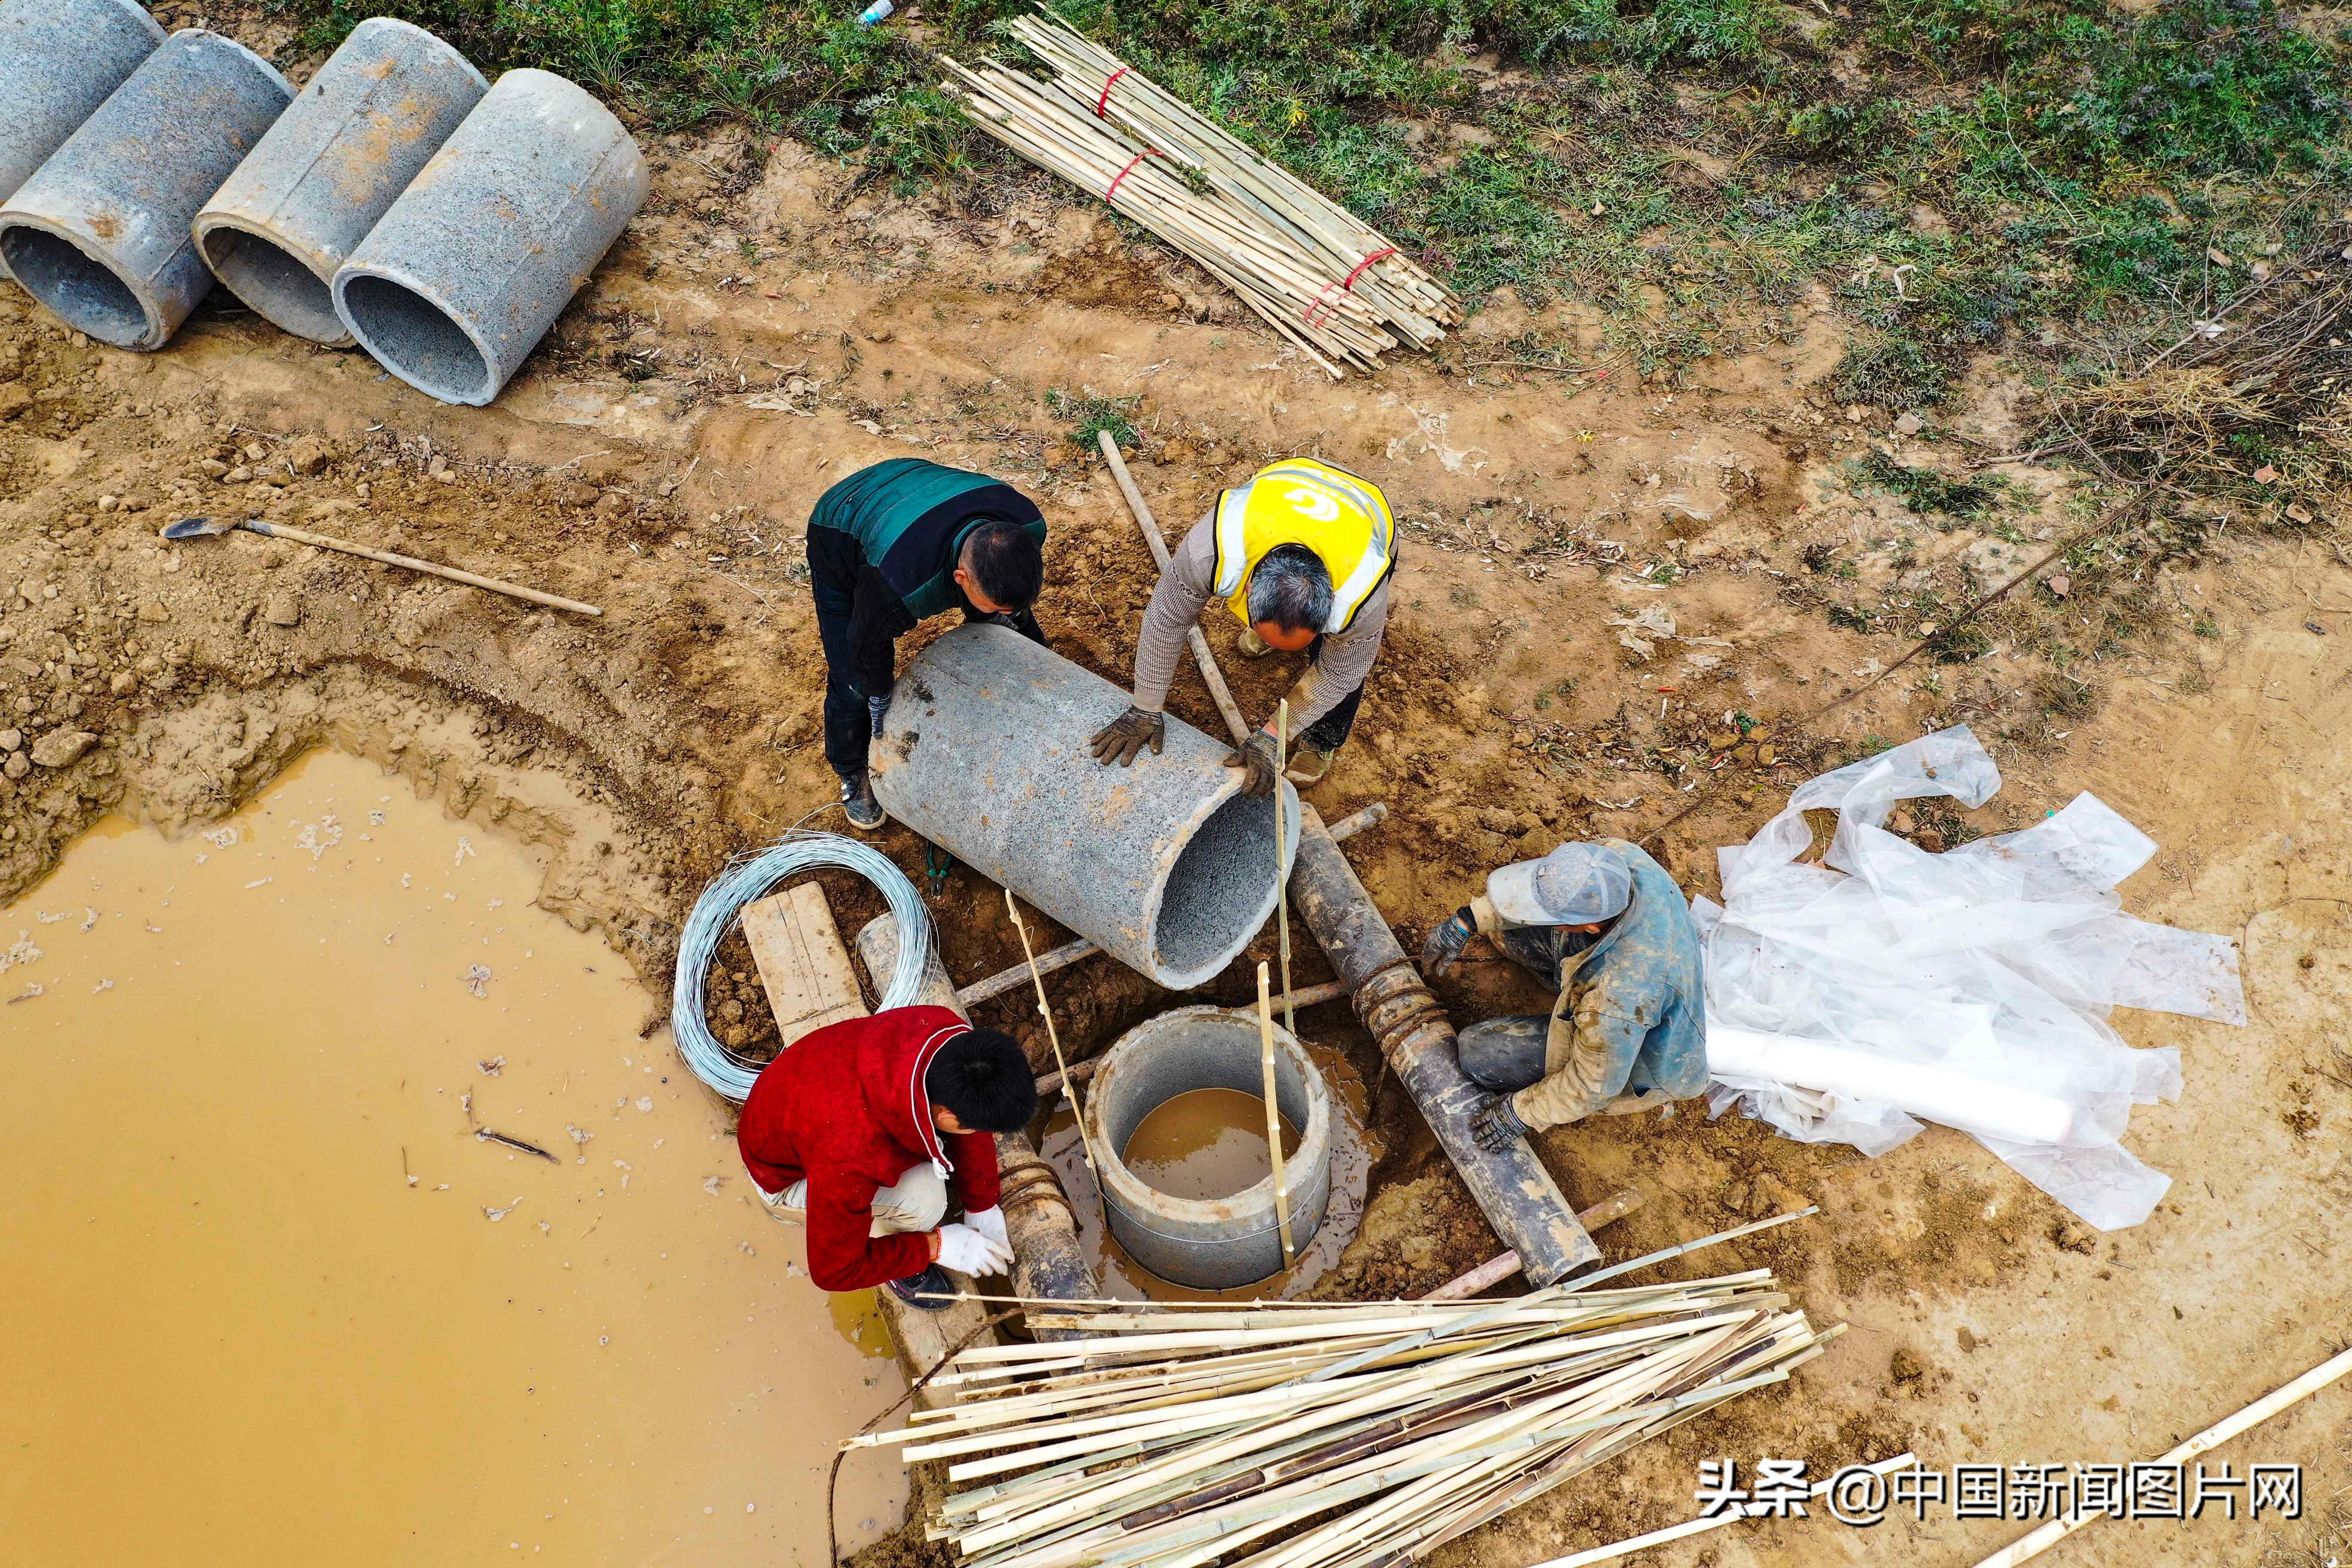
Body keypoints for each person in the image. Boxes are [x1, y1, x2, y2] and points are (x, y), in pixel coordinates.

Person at [1089, 458, 1396, 795]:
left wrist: (1275, 735)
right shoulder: (1211, 550)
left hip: (1369, 510)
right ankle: (1276, 632)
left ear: (1330, 606)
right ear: (1248, 589)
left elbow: (1342, 673)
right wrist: (1145, 709)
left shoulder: (1362, 593)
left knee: (1343, 662)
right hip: (1289, 480)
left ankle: (1321, 739)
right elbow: (1167, 620)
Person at [734, 1004, 1037, 1309]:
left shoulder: (945, 1032)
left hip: (803, 1093)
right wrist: (935, 1247)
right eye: (975, 1127)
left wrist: (982, 1204)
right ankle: (895, 1258)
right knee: (926, 1204)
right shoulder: (853, 1155)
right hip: (784, 1172)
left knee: (942, 1150)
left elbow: (969, 1114)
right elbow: (833, 1273)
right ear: (946, 1115)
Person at [808, 458, 1049, 830]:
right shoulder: (899, 585)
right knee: (854, 684)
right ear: (960, 578)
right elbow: (865, 641)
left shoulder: (1028, 523)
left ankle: (992, 613)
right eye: (997, 602)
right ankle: (852, 771)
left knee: (1006, 612)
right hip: (841, 524)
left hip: (918, 486)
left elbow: (1012, 594)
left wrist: (1029, 644)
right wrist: (878, 693)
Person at [1419, 840, 1706, 1148]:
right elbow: (1545, 887)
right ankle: (1564, 978)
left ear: (1590, 926)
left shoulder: (1617, 1001)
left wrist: (1521, 1113)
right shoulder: (1616, 860)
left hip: (1638, 1060)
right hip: (1625, 975)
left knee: (1477, 1053)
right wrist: (1466, 921)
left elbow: (1594, 1085)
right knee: (1506, 928)